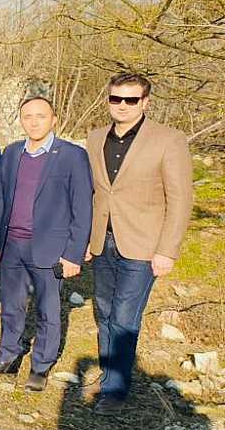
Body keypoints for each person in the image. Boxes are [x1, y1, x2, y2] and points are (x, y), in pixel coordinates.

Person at [85, 73, 193, 415]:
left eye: (130, 100)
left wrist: (167, 250)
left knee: (124, 318)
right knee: (104, 312)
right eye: (115, 98)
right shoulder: (95, 138)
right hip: (103, 241)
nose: (122, 106)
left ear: (145, 102)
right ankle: (108, 374)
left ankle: (115, 390)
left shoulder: (169, 140)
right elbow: (94, 193)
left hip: (144, 246)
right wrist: (86, 239)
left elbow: (180, 199)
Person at [0, 97, 92, 390]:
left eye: (41, 116)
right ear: (21, 120)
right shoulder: (12, 152)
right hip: (12, 245)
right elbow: (0, 200)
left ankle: (40, 366)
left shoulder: (72, 156)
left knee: (47, 309)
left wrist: (73, 254)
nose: (34, 122)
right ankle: (7, 356)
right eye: (27, 116)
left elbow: (82, 207)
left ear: (53, 119)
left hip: (49, 248)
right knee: (11, 306)